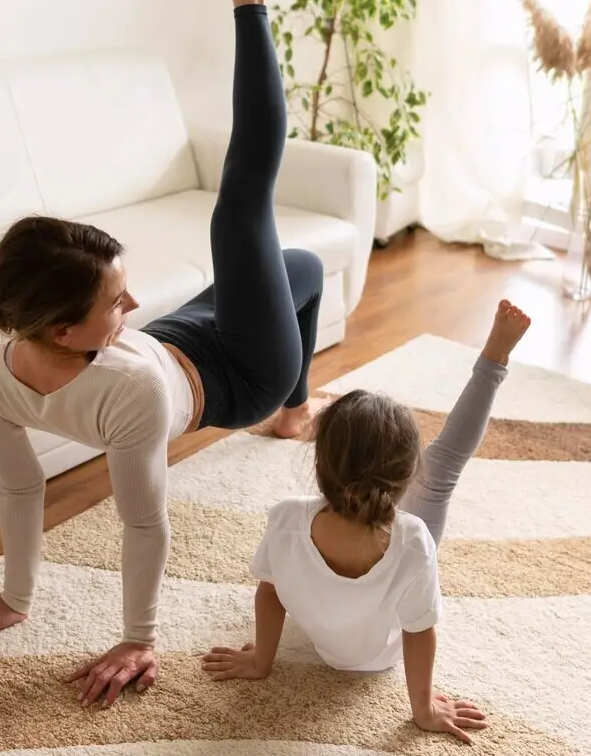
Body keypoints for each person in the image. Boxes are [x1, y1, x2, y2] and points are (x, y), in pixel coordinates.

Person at [0, 0, 329, 710]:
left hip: (198, 351)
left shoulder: (113, 359)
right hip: (236, 369)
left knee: (279, 246)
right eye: (117, 301)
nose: (134, 299)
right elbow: (37, 490)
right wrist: (22, 597)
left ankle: (297, 410)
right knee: (253, 228)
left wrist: (138, 636)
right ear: (61, 329)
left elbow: (142, 508)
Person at [200, 300, 533, 745]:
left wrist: (262, 660)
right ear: (405, 476)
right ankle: (494, 359)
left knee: (440, 468)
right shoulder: (413, 540)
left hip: (327, 646)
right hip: (381, 658)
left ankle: (492, 358)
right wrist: (423, 709)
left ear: (319, 466)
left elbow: (270, 592)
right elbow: (419, 630)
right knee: (445, 466)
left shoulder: (286, 518)